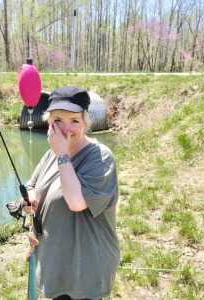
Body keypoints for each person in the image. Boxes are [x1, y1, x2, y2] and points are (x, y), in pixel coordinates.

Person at [23, 86, 120, 300]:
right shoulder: (52, 154)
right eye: (58, 120)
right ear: (49, 122)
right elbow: (32, 184)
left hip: (84, 272)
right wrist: (29, 199)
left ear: (85, 122)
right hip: (55, 262)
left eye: (74, 120)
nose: (66, 128)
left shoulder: (101, 158)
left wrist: (63, 156)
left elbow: (76, 202)